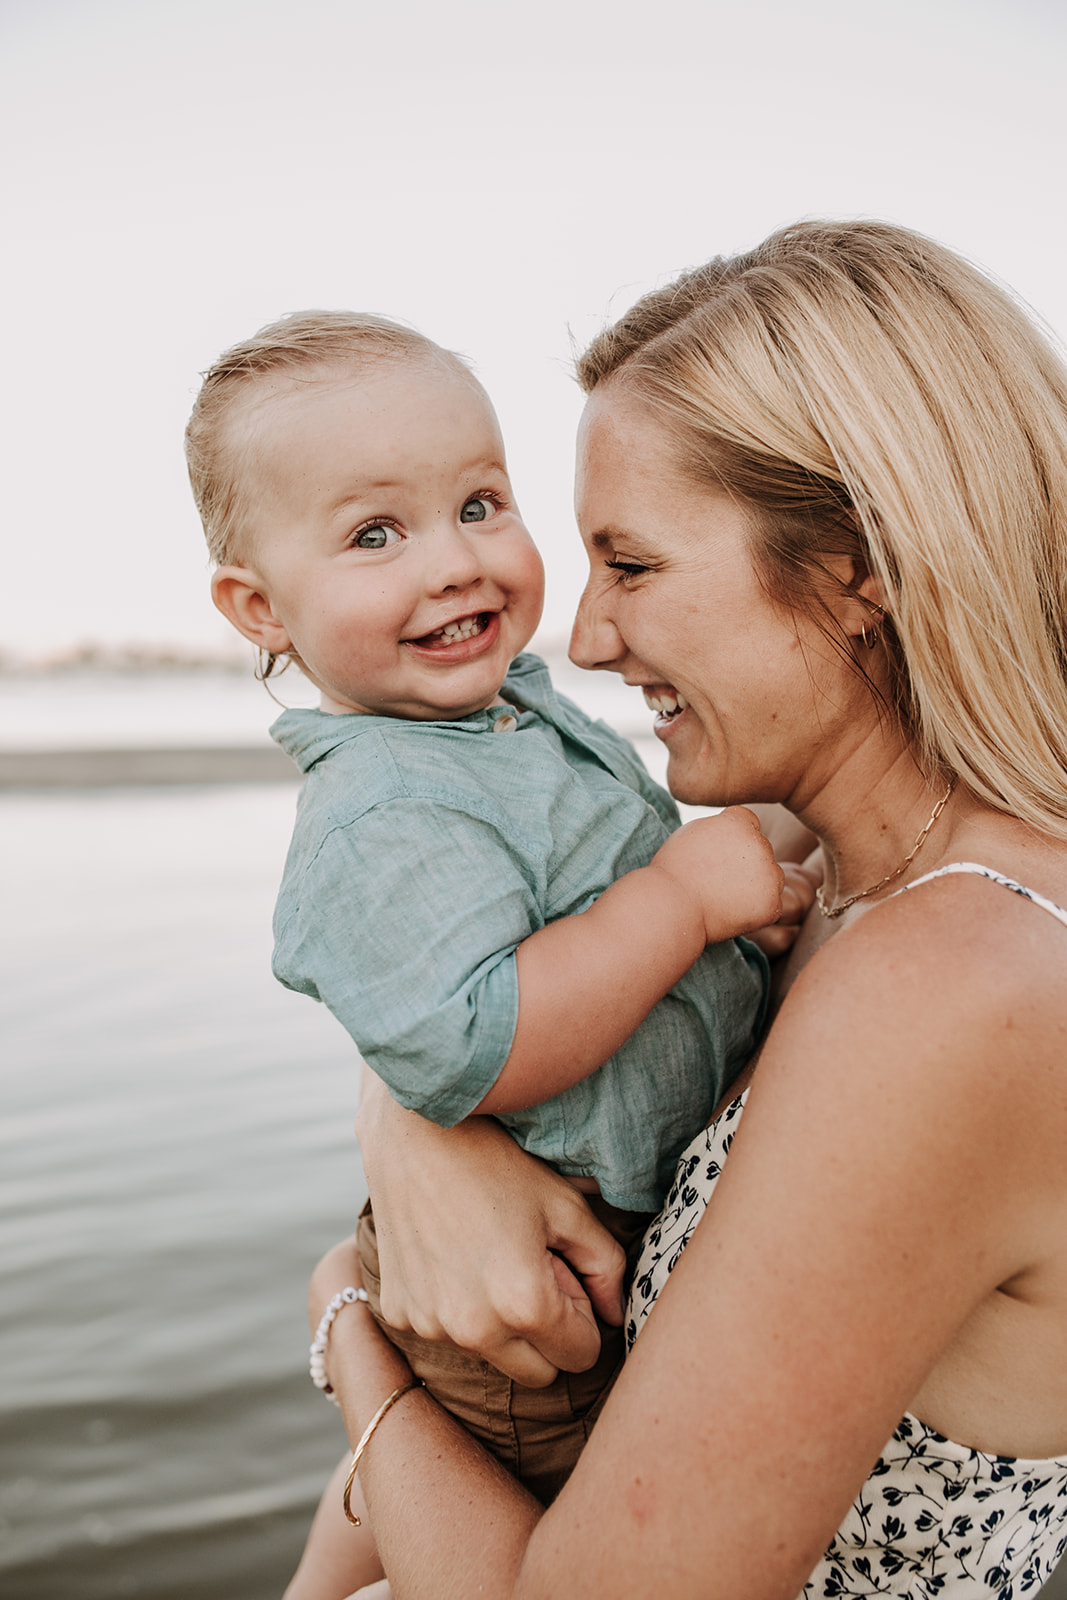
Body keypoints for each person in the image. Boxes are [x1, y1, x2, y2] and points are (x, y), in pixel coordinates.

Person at [305, 220, 1067, 1600]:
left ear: (855, 566)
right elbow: (468, 995)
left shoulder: (949, 979)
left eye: (635, 566)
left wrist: (346, 1330)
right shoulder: (825, 876)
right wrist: (420, 1136)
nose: (585, 637)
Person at [184, 313, 802, 1592]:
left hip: (570, 1226)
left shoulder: (505, 712)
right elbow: (484, 1037)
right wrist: (685, 904)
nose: (454, 562)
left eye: (479, 501)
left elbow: (585, 895)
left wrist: (731, 939)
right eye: (373, 534)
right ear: (260, 607)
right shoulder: (383, 807)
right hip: (543, 1282)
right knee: (518, 1507)